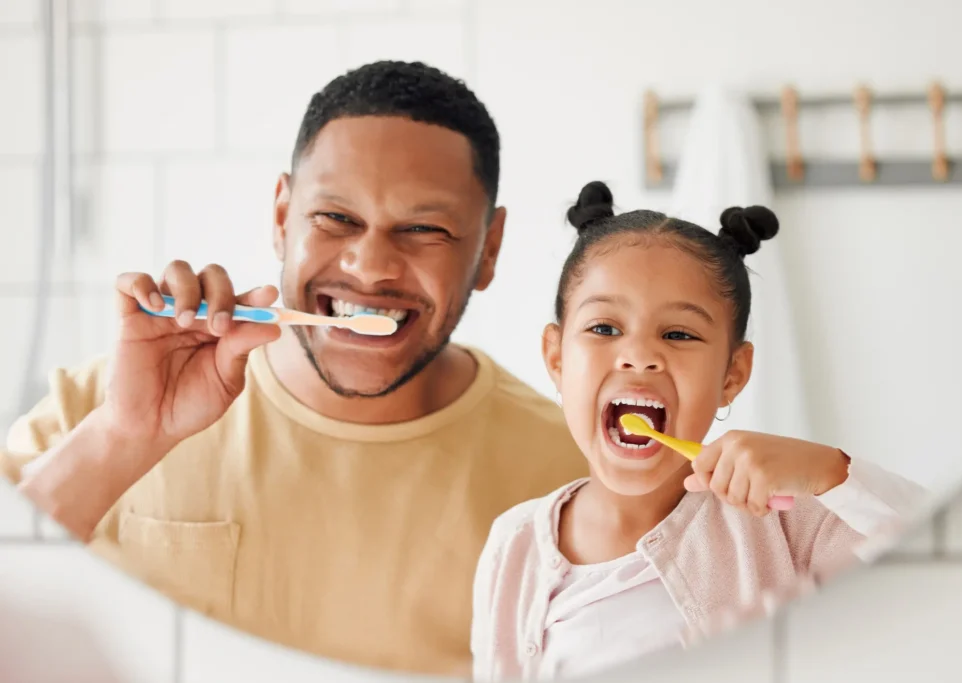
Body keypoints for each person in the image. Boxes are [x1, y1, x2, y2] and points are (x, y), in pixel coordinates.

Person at [0, 61, 587, 676]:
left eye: (423, 229)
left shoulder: (567, 478)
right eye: (336, 219)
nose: (370, 267)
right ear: (282, 217)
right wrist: (121, 440)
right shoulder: (103, 407)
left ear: (488, 249)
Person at [470, 182, 929, 682]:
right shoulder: (512, 544)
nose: (640, 355)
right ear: (557, 358)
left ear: (732, 374)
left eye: (679, 334)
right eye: (604, 328)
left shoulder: (787, 524)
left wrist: (828, 471)